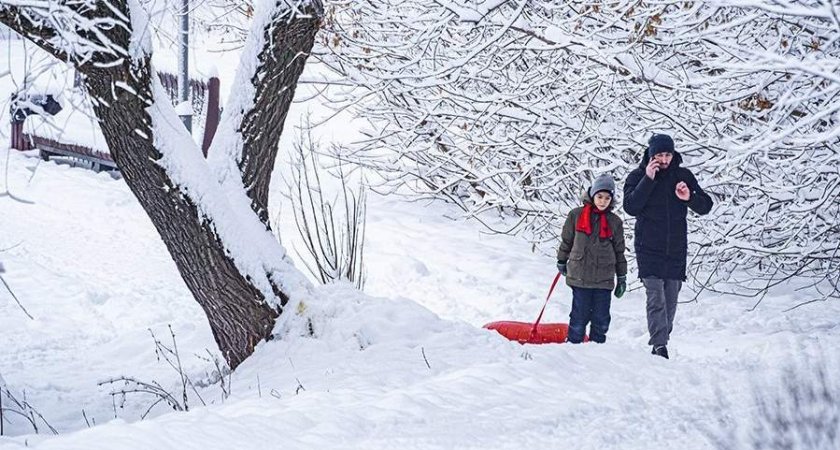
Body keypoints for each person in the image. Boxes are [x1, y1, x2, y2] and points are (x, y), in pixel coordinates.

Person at [623, 134, 713, 359]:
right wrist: (648, 180)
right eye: (659, 155)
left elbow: (705, 206)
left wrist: (688, 197)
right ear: (651, 155)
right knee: (656, 298)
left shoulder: (683, 176)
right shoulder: (637, 176)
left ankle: (663, 338)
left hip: (675, 248)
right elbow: (630, 207)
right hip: (648, 247)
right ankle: (659, 345)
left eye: (668, 155)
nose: (664, 160)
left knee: (670, 299)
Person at [556, 174, 627, 344]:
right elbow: (567, 241)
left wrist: (622, 277)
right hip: (580, 275)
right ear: (592, 195)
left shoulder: (614, 222)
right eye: (599, 197)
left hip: (604, 278)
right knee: (579, 316)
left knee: (601, 319)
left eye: (607, 198)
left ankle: (597, 350)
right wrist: (561, 260)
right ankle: (573, 345)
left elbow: (619, 252)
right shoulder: (576, 215)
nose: (603, 201)